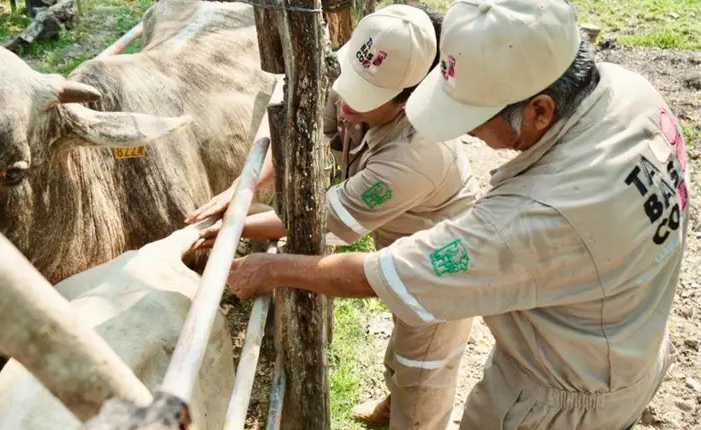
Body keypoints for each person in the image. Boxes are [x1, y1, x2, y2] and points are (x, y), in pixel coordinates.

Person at [221, 0, 692, 428]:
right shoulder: (628, 92)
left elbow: (390, 275)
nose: (466, 132)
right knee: (409, 355)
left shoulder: (530, 218)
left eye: (473, 116)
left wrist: (273, 268)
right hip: (626, 340)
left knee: (423, 367)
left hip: (559, 401)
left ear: (539, 111)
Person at [186, 4, 479, 428]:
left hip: (439, 258)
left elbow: (323, 219)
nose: (346, 103)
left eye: (366, 97)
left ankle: (415, 416)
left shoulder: (417, 154)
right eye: (350, 83)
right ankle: (394, 402)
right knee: (402, 327)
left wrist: (232, 226)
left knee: (424, 356)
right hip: (395, 229)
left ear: (408, 100)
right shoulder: (350, 88)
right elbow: (294, 127)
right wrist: (240, 188)